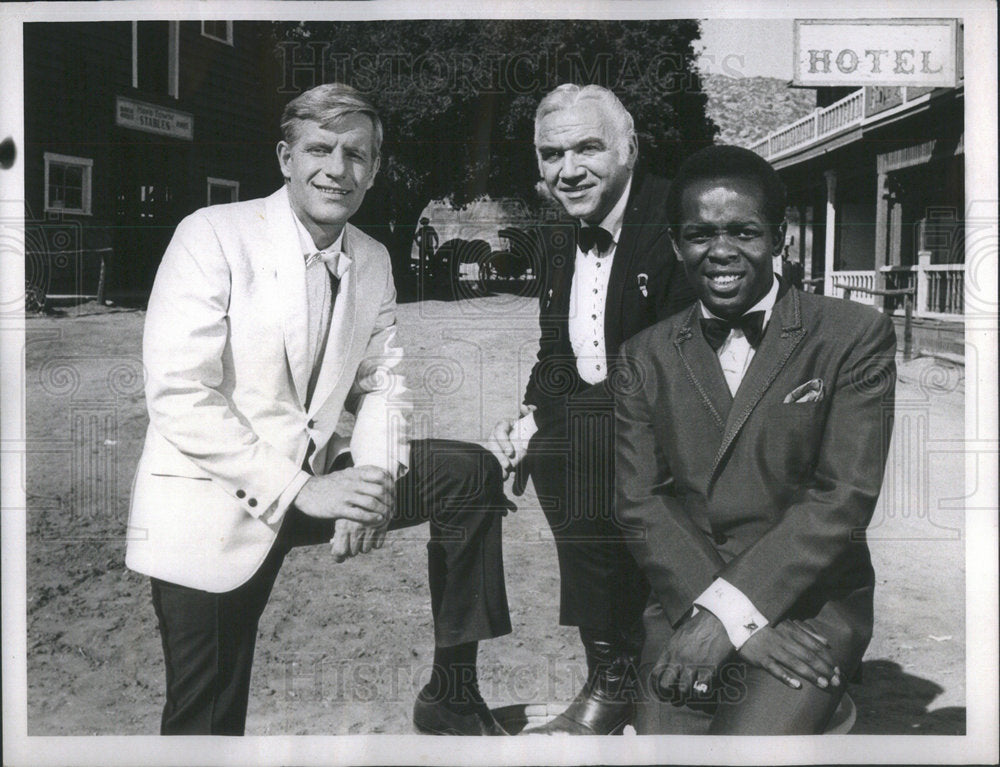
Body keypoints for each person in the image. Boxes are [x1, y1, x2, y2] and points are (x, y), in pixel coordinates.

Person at [126, 83, 512, 737]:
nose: (338, 168)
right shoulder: (212, 236)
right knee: (205, 725)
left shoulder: (371, 257)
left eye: (357, 154)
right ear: (285, 157)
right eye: (320, 149)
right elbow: (180, 396)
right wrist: (311, 488)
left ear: (374, 168)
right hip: (213, 503)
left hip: (325, 479)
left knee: (469, 473)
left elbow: (383, 382)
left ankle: (452, 694)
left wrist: (374, 484)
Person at [614, 145, 896, 734]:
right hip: (685, 599)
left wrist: (732, 617)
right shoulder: (643, 355)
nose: (720, 252)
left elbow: (841, 498)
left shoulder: (853, 335)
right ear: (674, 245)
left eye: (743, 231)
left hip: (811, 604)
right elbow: (641, 502)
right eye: (699, 235)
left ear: (780, 238)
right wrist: (718, 615)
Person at [488, 84, 694, 735]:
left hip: (696, 433)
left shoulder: (678, 218)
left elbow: (681, 368)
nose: (568, 168)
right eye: (552, 154)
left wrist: (554, 425)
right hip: (605, 433)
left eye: (587, 147)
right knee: (541, 445)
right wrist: (527, 414)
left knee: (564, 447)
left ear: (629, 147)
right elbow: (557, 353)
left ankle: (615, 675)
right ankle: (615, 667)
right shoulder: (558, 234)